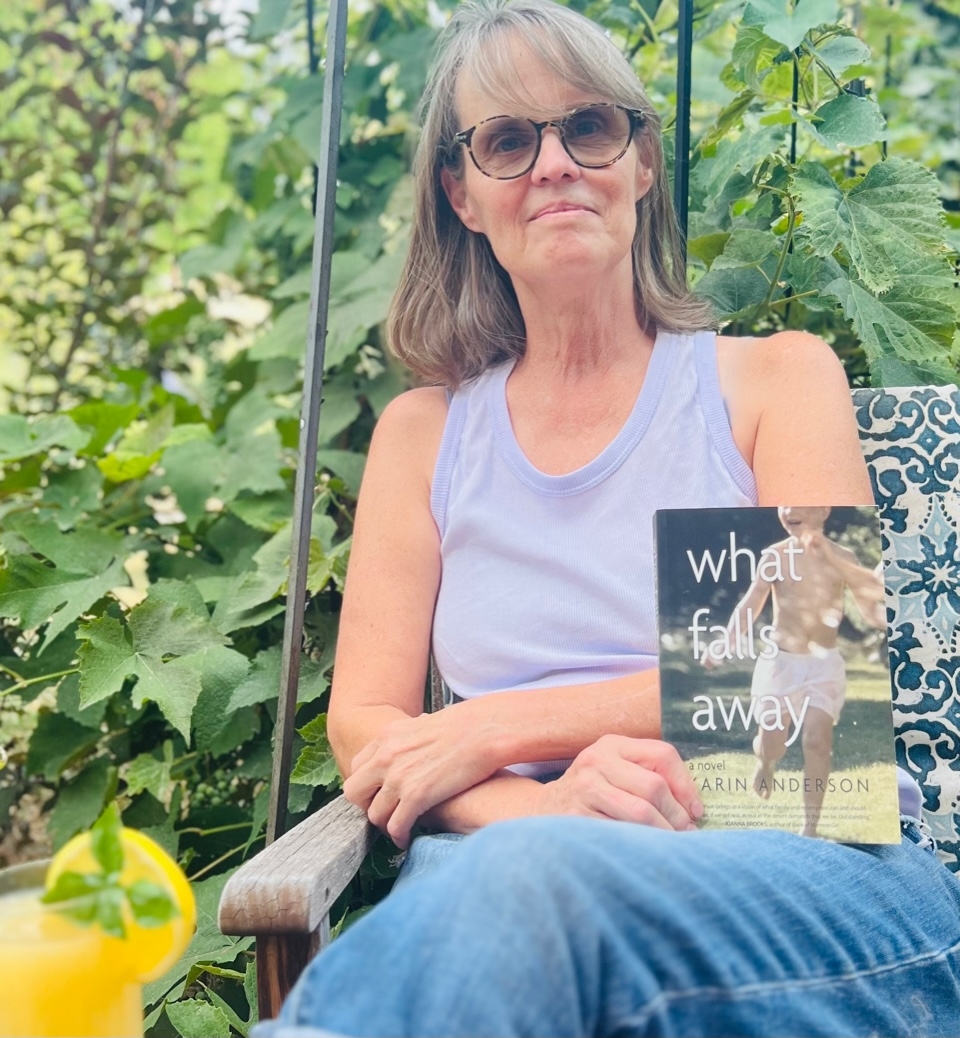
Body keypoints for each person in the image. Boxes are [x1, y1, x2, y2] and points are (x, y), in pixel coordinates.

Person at [252, 0, 960, 1034]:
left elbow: (805, 685)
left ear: (639, 165)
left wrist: (494, 725)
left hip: (808, 872)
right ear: (460, 195)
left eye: (588, 128)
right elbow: (369, 723)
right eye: (506, 140)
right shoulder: (425, 437)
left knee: (525, 903)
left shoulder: (771, 384)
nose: (554, 165)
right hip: (508, 896)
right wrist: (541, 810)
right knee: (518, 902)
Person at [702, 505, 888, 835]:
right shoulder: (775, 555)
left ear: (823, 510)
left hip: (824, 665)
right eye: (783, 503)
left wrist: (888, 603)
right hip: (781, 664)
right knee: (772, 742)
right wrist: (725, 643)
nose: (788, 510)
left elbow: (871, 614)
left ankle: (810, 827)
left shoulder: (843, 557)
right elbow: (751, 604)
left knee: (817, 741)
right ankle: (765, 762)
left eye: (799, 503)